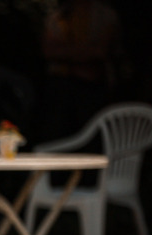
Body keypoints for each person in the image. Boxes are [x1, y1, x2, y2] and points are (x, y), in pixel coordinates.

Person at [38, 0, 121, 140]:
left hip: (92, 87)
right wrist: (83, 52)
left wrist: (66, 52)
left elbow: (100, 52)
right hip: (60, 86)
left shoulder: (105, 15)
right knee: (57, 133)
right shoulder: (58, 16)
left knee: (91, 135)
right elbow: (48, 51)